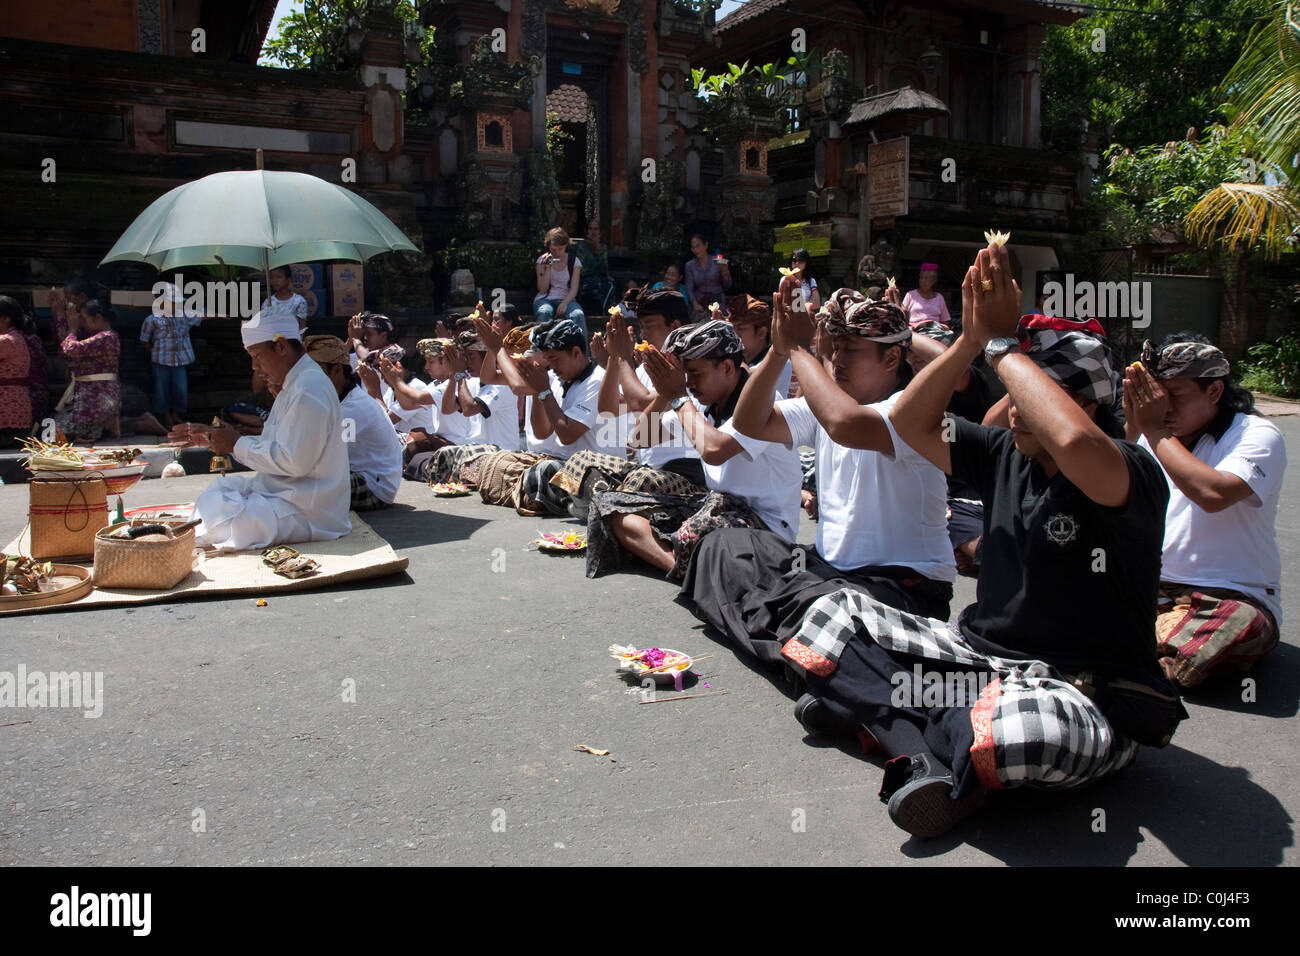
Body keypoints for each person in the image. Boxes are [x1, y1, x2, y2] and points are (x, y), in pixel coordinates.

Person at [778, 242, 1184, 839]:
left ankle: (898, 724)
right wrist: (966, 339)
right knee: (831, 615)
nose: (1013, 412)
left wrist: (1000, 345)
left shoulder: (1130, 470)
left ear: (1085, 405)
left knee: (1024, 730)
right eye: (1012, 397)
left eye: (1031, 400)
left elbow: (1073, 445)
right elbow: (909, 424)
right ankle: (932, 751)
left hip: (1076, 691)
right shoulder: (1001, 452)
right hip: (979, 661)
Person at [683, 287, 956, 673]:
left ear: (892, 356)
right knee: (723, 546)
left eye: (852, 350)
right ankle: (811, 656)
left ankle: (810, 653)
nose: (838, 360)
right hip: (828, 576)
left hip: (899, 587)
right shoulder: (825, 406)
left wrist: (798, 348)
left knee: (824, 607)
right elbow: (748, 423)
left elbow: (847, 425)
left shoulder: (910, 411)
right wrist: (779, 352)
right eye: (835, 348)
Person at [1125, 334, 1286, 689]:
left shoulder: (1257, 435)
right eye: (1154, 395)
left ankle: (1134, 648)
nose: (1161, 406)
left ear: (1214, 392)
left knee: (1241, 623)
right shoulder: (1156, 434)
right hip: (1153, 589)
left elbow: (1213, 494)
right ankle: (1150, 644)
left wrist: (1152, 430)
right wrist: (1135, 431)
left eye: (1174, 396)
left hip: (1226, 597)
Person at [586, 320, 803, 579]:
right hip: (714, 509)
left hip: (766, 527)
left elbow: (714, 449)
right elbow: (639, 438)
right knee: (610, 507)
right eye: (683, 376)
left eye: (695, 374)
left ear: (726, 367)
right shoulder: (699, 403)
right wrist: (665, 394)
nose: (689, 384)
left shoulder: (762, 403)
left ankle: (696, 566)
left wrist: (678, 397)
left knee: (705, 535)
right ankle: (681, 569)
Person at [170, 311, 350, 552]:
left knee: (224, 518)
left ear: (281, 346)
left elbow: (296, 462)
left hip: (308, 510)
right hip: (285, 495)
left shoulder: (308, 388)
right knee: (219, 492)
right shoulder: (296, 383)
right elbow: (276, 445)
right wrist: (219, 440)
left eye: (257, 356)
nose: (255, 367)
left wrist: (236, 444)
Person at [907, 321, 993, 574]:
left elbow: (948, 362)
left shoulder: (969, 385)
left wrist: (904, 330)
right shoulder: (907, 392)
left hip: (971, 494)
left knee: (995, 549)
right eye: (911, 357)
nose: (915, 361)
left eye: (921, 354)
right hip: (938, 500)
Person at [305, 334, 403, 512]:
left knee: (300, 486)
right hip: (350, 474)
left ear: (336, 370)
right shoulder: (337, 400)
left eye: (314, 372)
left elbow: (316, 451)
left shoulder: (353, 408)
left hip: (373, 487)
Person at [49, 296, 121, 443]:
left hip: (97, 399)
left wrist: (73, 329)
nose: (80, 322)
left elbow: (71, 349)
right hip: (90, 399)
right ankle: (106, 428)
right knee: (51, 429)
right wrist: (61, 318)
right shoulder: (97, 338)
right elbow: (65, 354)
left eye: (83, 318)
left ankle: (100, 430)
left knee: (51, 433)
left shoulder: (107, 337)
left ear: (98, 318)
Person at [139, 282, 206, 427]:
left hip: (180, 361)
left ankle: (176, 414)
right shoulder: (152, 320)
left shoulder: (184, 316)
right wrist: (153, 352)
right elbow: (144, 340)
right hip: (160, 360)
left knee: (180, 389)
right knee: (162, 390)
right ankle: (166, 416)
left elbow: (200, 316)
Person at [729, 294, 793, 400]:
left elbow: (747, 379)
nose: (733, 334)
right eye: (731, 328)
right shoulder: (741, 360)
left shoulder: (781, 362)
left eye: (740, 328)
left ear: (761, 332)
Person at [533, 227, 587, 335]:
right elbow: (542, 289)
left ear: (565, 246)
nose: (557, 253)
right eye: (553, 249)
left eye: (560, 249)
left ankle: (583, 351)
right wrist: (547, 268)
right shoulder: (542, 260)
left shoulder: (573, 261)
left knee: (578, 314)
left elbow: (574, 288)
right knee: (544, 312)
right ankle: (541, 349)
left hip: (567, 298)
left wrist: (564, 303)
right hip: (545, 298)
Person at [0, 296, 32, 448]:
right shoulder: (17, 337)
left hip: (7, 416)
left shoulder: (6, 341)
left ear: (6, 319)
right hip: (16, 413)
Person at [684, 234, 732, 320]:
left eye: (698, 246)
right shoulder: (689, 266)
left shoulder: (718, 261)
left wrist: (725, 271)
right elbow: (689, 287)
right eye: (693, 247)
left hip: (718, 301)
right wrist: (695, 304)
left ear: (706, 245)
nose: (696, 250)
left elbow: (727, 286)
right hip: (700, 303)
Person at [576, 218, 613, 316]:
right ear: (587, 231)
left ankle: (606, 315)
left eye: (596, 229)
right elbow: (583, 269)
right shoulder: (581, 246)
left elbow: (604, 269)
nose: (593, 232)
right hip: (584, 280)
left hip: (600, 279)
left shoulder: (603, 247)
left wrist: (598, 250)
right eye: (591, 229)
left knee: (610, 286)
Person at [901, 262, 952, 327]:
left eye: (926, 278)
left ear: (933, 280)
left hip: (935, 331)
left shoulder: (939, 298)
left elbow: (945, 320)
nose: (922, 280)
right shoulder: (910, 295)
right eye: (921, 278)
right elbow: (902, 315)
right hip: (915, 330)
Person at [260, 265, 309, 330]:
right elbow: (264, 326)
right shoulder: (268, 302)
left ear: (288, 280)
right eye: (271, 277)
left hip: (293, 339)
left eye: (278, 277)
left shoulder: (299, 301)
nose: (274, 280)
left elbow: (302, 327)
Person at [788, 248, 822, 316]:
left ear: (806, 263)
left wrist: (798, 307)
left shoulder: (811, 281)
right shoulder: (785, 279)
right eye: (794, 260)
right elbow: (783, 302)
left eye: (801, 261)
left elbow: (817, 303)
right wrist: (807, 304)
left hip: (806, 318)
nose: (797, 263)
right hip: (789, 317)